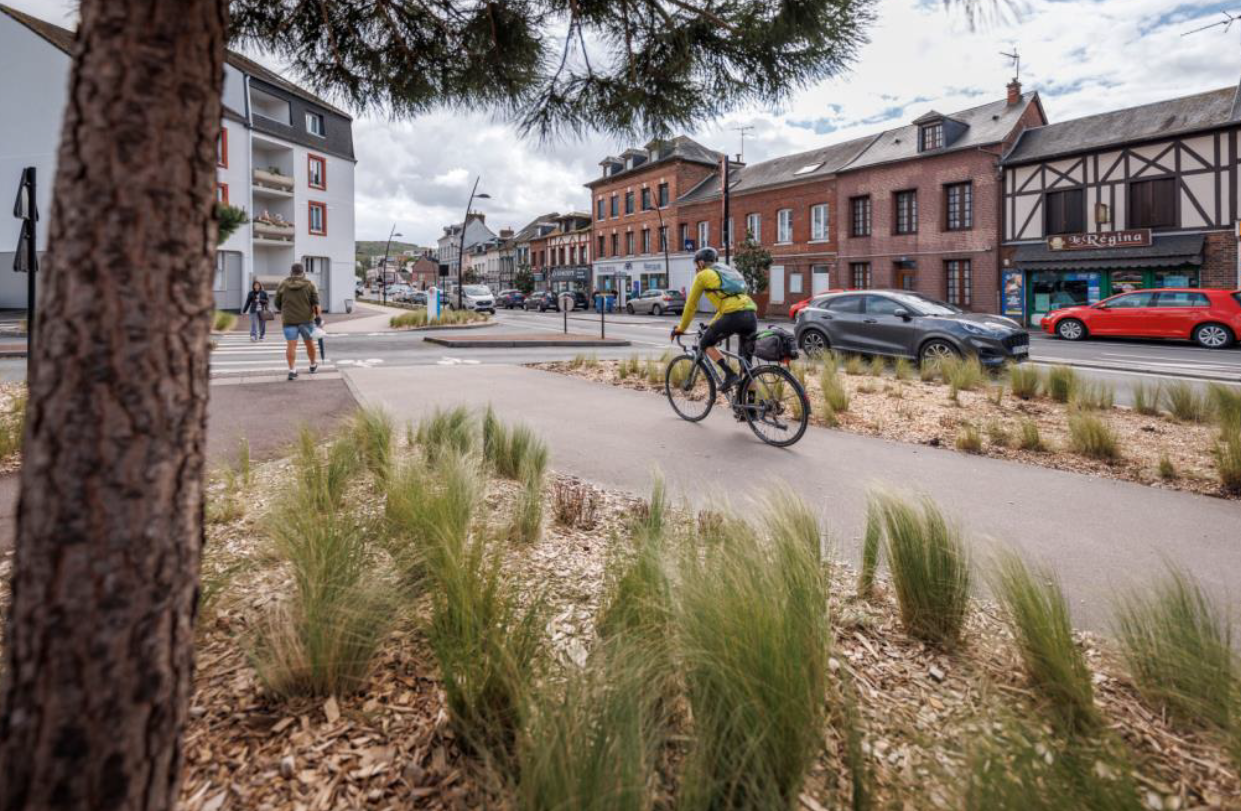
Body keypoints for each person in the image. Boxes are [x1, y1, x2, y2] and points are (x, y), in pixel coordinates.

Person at [671, 246, 758, 393]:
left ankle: (730, 375)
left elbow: (691, 306)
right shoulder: (726, 272)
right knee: (746, 367)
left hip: (734, 315)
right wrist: (711, 325)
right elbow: (725, 306)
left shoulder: (703, 275)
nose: (696, 268)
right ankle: (751, 410)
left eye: (696, 265)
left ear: (701, 263)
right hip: (750, 314)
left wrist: (681, 328)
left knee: (705, 343)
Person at [274, 262, 321, 381]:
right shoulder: (310, 284)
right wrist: (318, 316)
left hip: (289, 320)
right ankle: (312, 365)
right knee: (309, 343)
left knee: (291, 345)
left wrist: (284, 310)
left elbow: (276, 303)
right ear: (303, 273)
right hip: (306, 320)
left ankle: (292, 370)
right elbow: (315, 303)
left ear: (291, 272)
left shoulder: (283, 284)